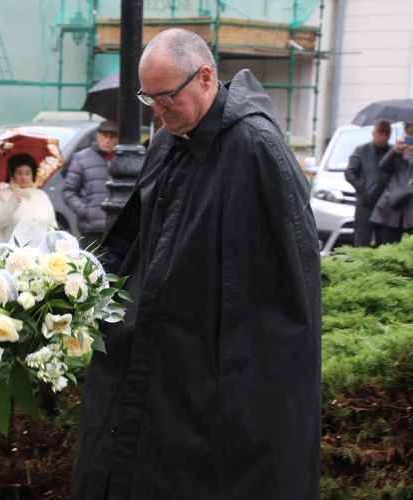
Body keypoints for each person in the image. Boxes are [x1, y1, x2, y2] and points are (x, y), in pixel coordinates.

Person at [70, 28, 322, 499]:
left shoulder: (257, 149)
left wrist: (246, 393)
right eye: (149, 98)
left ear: (205, 76)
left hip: (210, 382)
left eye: (166, 97)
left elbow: (290, 293)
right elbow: (134, 242)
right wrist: (78, 287)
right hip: (157, 365)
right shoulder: (169, 140)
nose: (158, 112)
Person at [62, 120, 118, 249]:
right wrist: (86, 211)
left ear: (117, 139)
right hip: (91, 229)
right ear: (98, 136)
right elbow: (69, 191)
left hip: (117, 227)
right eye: (104, 136)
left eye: (112, 136)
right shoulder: (82, 158)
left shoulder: (122, 159)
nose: (107, 140)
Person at [0, 153, 57, 244]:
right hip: (12, 255)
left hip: (42, 255)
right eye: (19, 173)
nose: (24, 177)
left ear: (33, 174)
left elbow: (52, 227)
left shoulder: (42, 195)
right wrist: (10, 204)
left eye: (28, 173)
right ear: (12, 175)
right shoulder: (2, 195)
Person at [344, 120, 392, 247]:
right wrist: (362, 189)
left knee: (386, 245)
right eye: (380, 131)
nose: (384, 134)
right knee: (362, 243)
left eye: (387, 131)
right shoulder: (361, 151)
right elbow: (349, 172)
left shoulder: (394, 152)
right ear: (373, 133)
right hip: (366, 204)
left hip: (387, 205)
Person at [369, 122, 413, 244]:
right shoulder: (398, 151)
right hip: (392, 206)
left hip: (410, 209)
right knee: (386, 249)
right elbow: (383, 166)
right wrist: (395, 150)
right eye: (410, 135)